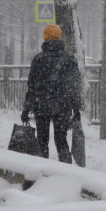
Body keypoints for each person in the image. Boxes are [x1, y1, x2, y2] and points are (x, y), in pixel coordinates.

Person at [21, 24, 82, 163]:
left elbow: (32, 86)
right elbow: (74, 86)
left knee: (42, 139)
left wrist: (26, 108)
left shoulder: (39, 59)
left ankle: (43, 168)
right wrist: (76, 109)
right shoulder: (70, 59)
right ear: (59, 38)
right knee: (61, 138)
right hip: (63, 105)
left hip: (41, 105)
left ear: (45, 38)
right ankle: (65, 169)